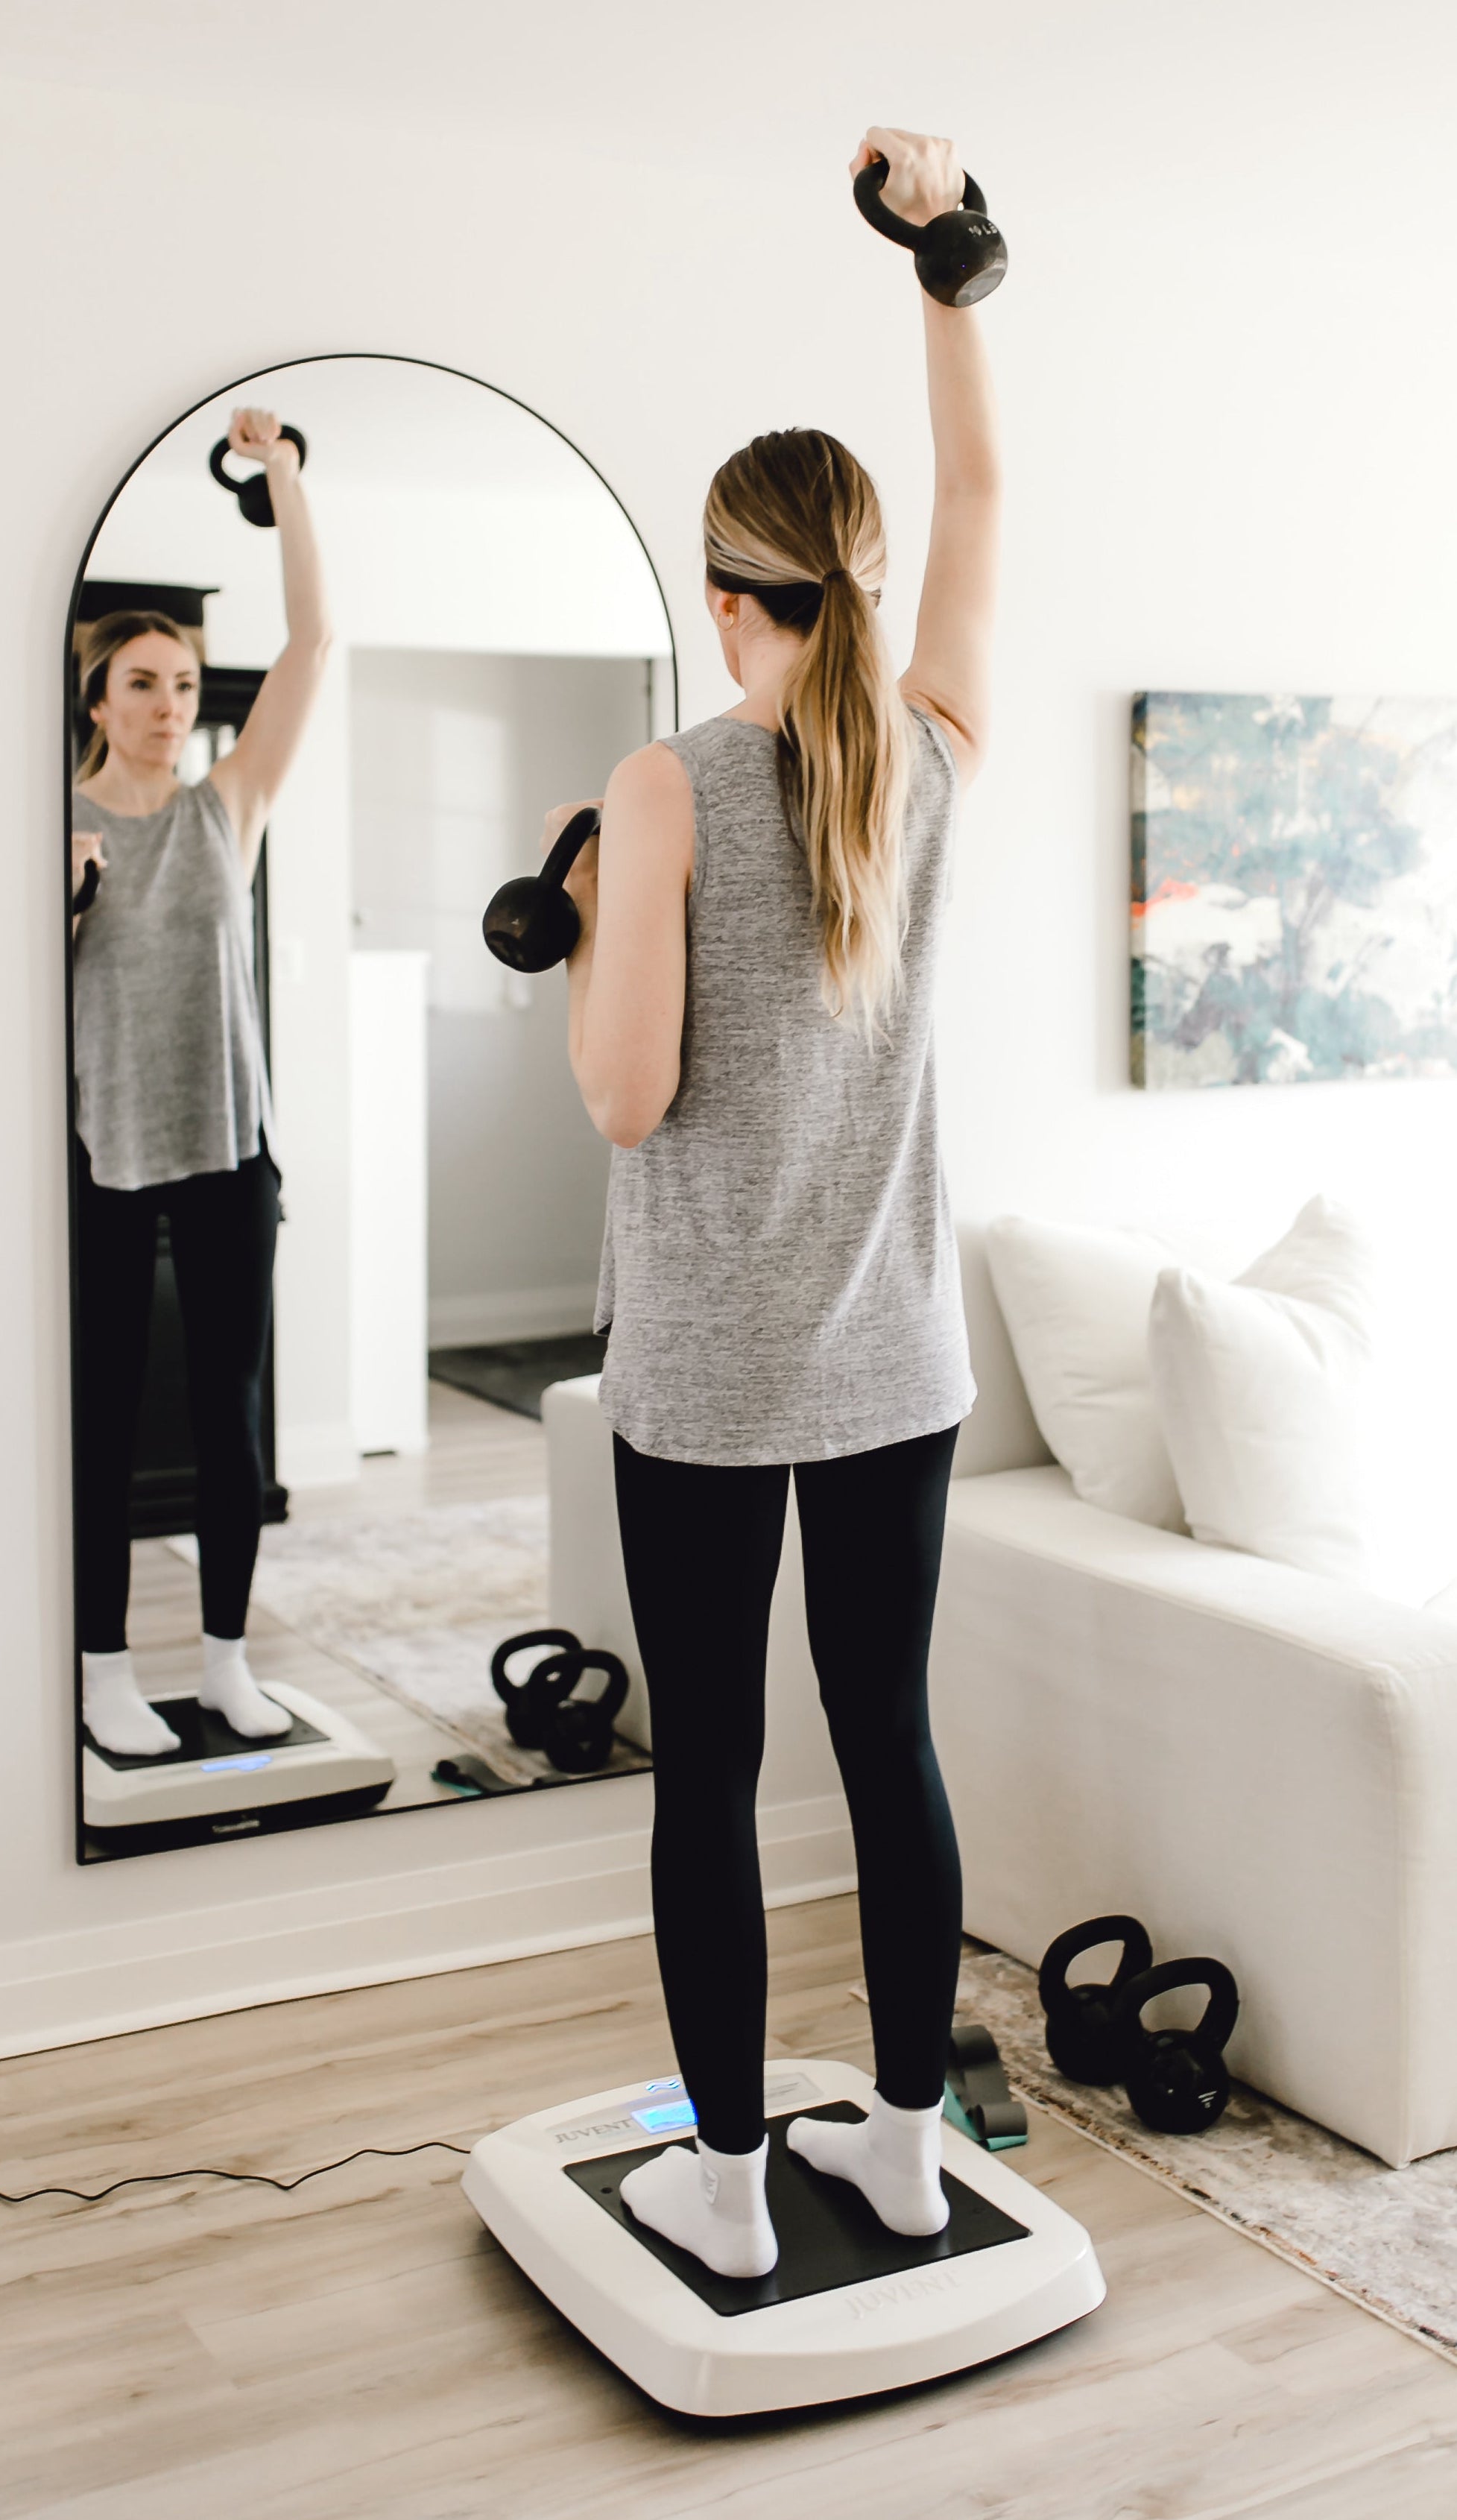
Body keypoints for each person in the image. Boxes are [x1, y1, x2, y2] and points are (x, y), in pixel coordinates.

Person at [554, 124, 999, 2279]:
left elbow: (626, 1095)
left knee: (709, 1772)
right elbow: (983, 492)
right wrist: (942, 261)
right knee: (887, 1738)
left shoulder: (665, 784)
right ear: (870, 582)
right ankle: (905, 2145)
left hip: (711, 1380)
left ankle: (726, 2187)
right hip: (899, 1360)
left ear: (724, 593)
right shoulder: (933, 748)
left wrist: (591, 919)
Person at [72, 408, 331, 1760]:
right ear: (97, 701)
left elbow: (313, 643)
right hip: (103, 1159)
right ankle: (103, 1668)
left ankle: (227, 1659)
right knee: (104, 1423)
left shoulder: (227, 804)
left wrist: (281, 475)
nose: (169, 703)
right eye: (142, 683)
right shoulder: (48, 827)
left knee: (233, 1423)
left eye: (181, 682)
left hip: (232, 1149)